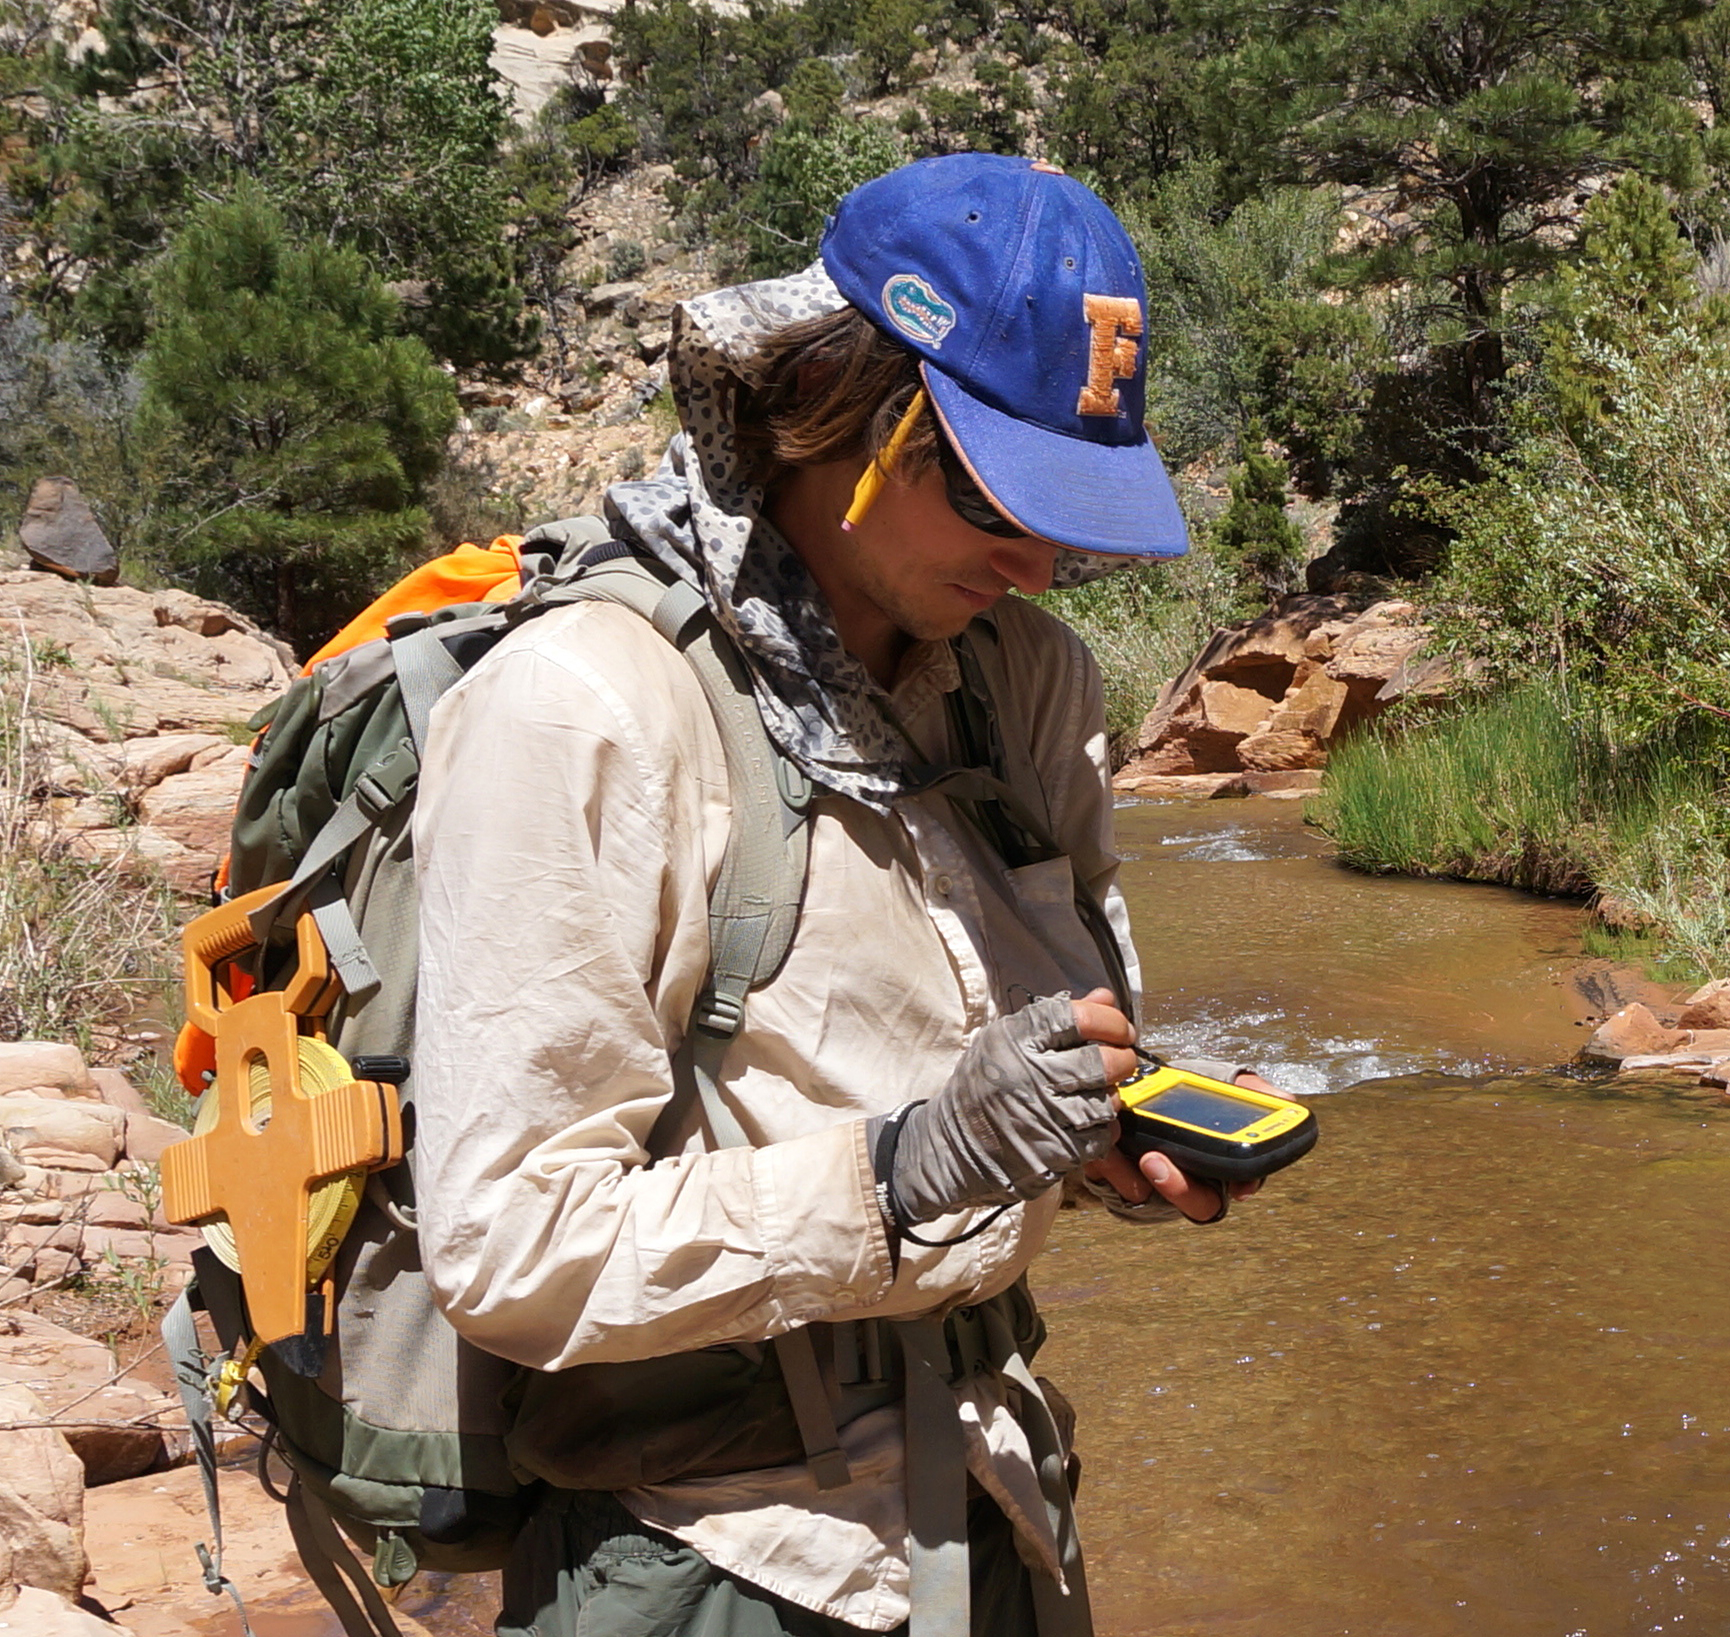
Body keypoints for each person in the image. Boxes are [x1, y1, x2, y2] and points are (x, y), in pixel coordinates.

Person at [403, 153, 1262, 1637]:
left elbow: (1006, 1057)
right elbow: (505, 1241)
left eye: (1069, 498)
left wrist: (1103, 1135)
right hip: (707, 1560)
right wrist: (903, 1170)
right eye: (998, 488)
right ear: (850, 411)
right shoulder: (586, 705)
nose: (1041, 552)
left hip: (996, 1513)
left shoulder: (1030, 685)